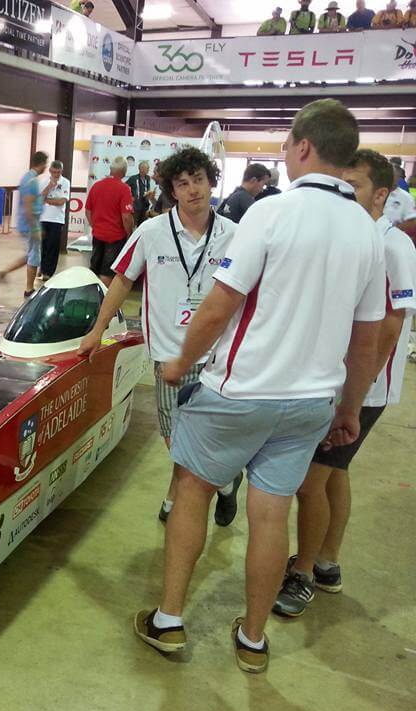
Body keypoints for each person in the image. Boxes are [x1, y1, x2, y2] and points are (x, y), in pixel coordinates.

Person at [133, 99, 384, 675]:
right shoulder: (367, 232)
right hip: (310, 404)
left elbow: (221, 305)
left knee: (192, 488)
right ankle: (251, 638)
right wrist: (348, 408)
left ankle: (169, 621)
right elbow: (365, 341)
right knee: (271, 515)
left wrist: (179, 363)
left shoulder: (270, 215)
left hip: (239, 392)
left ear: (302, 147)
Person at [273, 150, 416, 618]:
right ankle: (329, 562)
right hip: (339, 385)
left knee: (309, 484)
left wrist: (354, 396)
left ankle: (303, 573)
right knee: (335, 474)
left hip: (360, 392)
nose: (344, 193)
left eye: (354, 185)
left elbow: (390, 328)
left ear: (381, 194)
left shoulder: (393, 246)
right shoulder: (351, 236)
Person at [79, 147, 241, 526]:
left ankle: (181, 498)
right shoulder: (151, 232)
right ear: (173, 190)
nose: (193, 190)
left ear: (211, 181)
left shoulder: (235, 235)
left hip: (220, 355)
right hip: (169, 354)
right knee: (175, 439)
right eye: (182, 184)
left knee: (206, 435)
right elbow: (122, 279)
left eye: (198, 180)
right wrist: (97, 329)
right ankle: (224, 485)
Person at [0, 151, 48, 297]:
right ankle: (29, 289)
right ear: (42, 164)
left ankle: (4, 273)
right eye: (46, 164)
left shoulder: (27, 178)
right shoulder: (31, 181)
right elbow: (28, 206)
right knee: (34, 256)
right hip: (29, 224)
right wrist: (35, 227)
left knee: (29, 255)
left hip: (26, 223)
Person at [85, 156, 134, 287]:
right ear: (124, 171)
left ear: (111, 169)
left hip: (98, 234)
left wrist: (94, 225)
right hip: (115, 236)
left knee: (94, 267)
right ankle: (102, 302)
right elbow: (126, 217)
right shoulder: (124, 189)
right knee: (107, 271)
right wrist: (129, 234)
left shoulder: (96, 186)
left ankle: (91, 296)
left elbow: (88, 211)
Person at [38, 160, 71, 281]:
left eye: (58, 172)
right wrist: (50, 186)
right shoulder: (43, 181)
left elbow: (61, 201)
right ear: (50, 171)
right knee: (44, 245)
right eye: (54, 172)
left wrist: (48, 200)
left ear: (61, 171)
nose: (56, 174)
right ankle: (42, 268)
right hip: (44, 218)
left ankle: (49, 272)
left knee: (53, 245)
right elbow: (40, 198)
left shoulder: (65, 182)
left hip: (57, 219)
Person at [126, 161, 154, 226]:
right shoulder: (133, 178)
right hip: (136, 206)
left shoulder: (148, 178)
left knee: (143, 226)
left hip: (145, 206)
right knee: (134, 225)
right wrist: (130, 197)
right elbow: (124, 187)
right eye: (147, 168)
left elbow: (147, 188)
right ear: (141, 169)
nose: (148, 170)